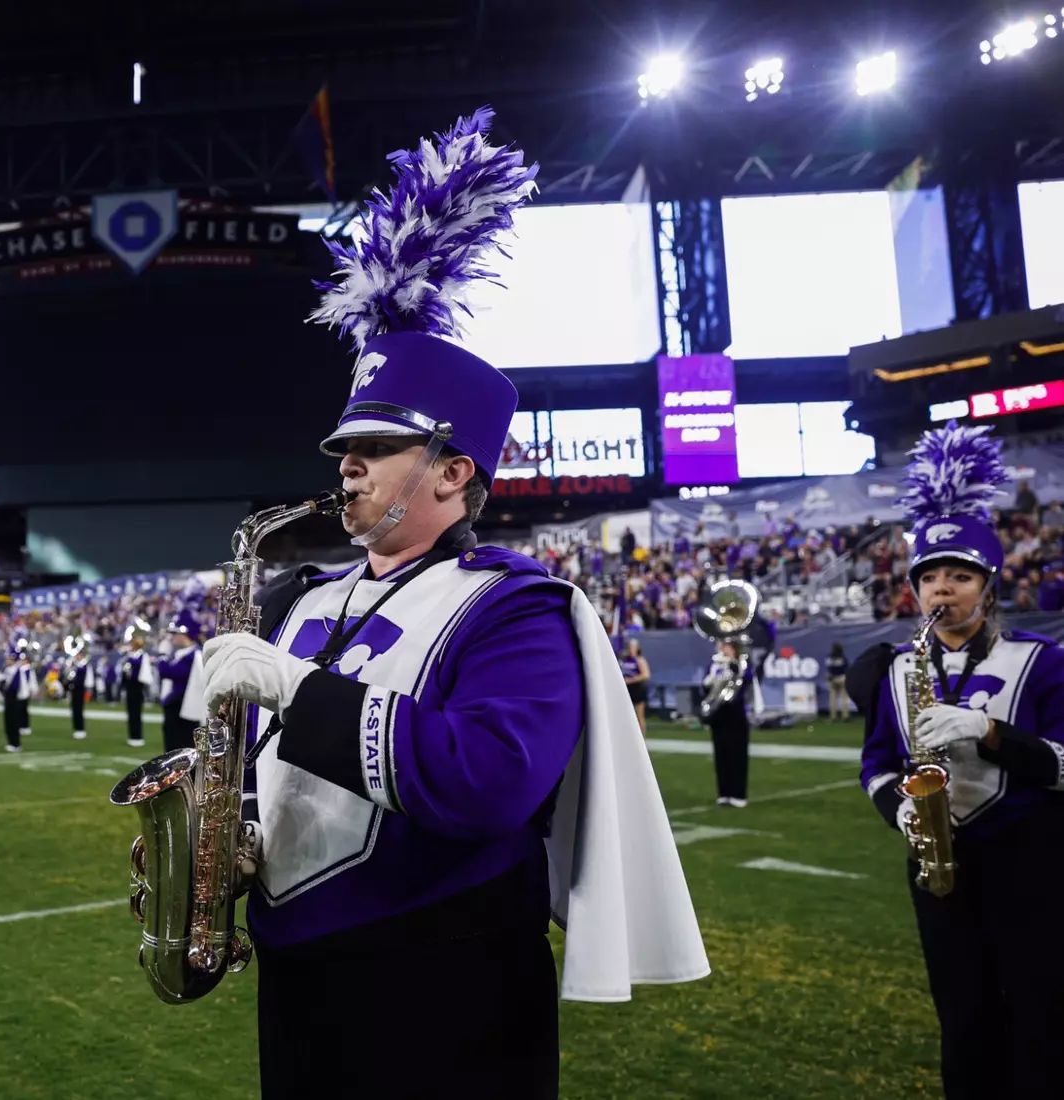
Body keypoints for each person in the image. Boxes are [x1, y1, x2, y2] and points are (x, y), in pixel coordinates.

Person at [196, 108, 707, 1099]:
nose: (346, 464)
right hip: (297, 975)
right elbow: (268, 766)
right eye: (344, 448)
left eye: (375, 447)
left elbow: (489, 782)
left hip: (442, 988)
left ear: (453, 469)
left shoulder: (520, 609)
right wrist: (226, 825)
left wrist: (297, 694)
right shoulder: (304, 597)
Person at [855, 421, 1064, 1100]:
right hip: (938, 865)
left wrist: (990, 732)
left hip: (1030, 860)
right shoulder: (895, 669)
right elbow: (878, 766)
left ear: (989, 583)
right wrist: (904, 809)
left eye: (960, 575)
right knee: (962, 1019)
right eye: (931, 577)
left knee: (1039, 1019)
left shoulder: (1040, 659)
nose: (943, 590)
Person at [701, 640, 752, 807]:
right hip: (719, 715)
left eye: (726, 647)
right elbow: (705, 687)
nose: (722, 649)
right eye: (721, 646)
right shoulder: (714, 665)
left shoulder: (742, 665)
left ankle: (738, 794)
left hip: (736, 715)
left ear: (734, 649)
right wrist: (712, 679)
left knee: (737, 754)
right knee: (721, 754)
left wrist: (733, 666)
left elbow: (747, 680)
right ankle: (724, 793)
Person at [157, 609, 206, 752]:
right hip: (177, 707)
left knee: (180, 748)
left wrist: (162, 655)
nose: (172, 638)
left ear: (184, 635)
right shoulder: (181, 654)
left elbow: (167, 672)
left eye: (175, 634)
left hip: (183, 709)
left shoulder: (192, 656)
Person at [120, 622, 153, 749]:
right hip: (130, 686)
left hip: (137, 686)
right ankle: (132, 736)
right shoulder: (129, 656)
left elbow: (142, 671)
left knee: (137, 712)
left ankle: (138, 736)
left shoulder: (141, 656)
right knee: (130, 712)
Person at [63, 634, 93, 740]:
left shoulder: (84, 665)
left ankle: (80, 729)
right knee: (74, 709)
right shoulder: (74, 665)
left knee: (79, 709)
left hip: (80, 689)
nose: (77, 656)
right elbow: (69, 677)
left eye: (79, 654)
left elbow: (87, 679)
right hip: (74, 689)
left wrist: (89, 690)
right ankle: (76, 729)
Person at [620, 637, 651, 734]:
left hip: (637, 689)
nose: (630, 649)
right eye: (629, 647)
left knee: (639, 716)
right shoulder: (625, 660)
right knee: (626, 715)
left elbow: (646, 675)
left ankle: (642, 738)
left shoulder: (639, 660)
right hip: (626, 690)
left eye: (633, 647)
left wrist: (630, 680)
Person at [826, 640, 850, 720]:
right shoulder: (843, 658)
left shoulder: (830, 657)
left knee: (833, 699)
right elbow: (847, 668)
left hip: (832, 678)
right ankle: (845, 716)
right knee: (844, 698)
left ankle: (833, 716)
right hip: (842, 678)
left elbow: (828, 668)